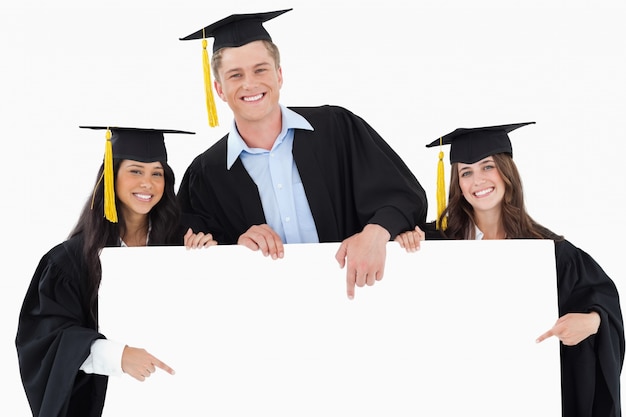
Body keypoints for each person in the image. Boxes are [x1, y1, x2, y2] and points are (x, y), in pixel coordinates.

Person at [177, 8, 428, 299]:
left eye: (260, 69)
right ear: (219, 89)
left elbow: (405, 195)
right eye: (235, 75)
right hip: (266, 314)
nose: (250, 84)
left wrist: (377, 231)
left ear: (279, 74)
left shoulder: (337, 128)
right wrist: (236, 247)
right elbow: (194, 255)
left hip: (356, 301)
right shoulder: (207, 173)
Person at [395, 122, 624, 417]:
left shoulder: (550, 253)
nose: (477, 180)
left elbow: (604, 306)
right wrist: (401, 245)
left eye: (487, 167)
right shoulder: (433, 246)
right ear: (457, 183)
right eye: (466, 172)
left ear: (507, 172)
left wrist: (593, 323)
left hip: (523, 398)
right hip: (446, 397)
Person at [15, 126, 217, 417]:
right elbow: (45, 340)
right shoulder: (70, 260)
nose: (147, 183)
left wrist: (209, 260)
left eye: (156, 173)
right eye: (135, 171)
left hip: (182, 397)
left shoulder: (184, 238)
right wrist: (118, 355)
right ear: (111, 177)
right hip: (110, 404)